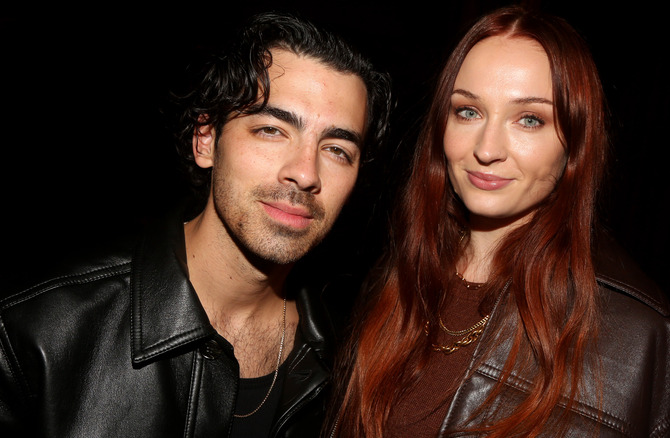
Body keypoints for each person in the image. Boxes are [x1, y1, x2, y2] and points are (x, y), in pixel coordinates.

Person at [0, 12, 390, 438]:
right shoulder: (38, 332)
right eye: (271, 130)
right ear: (206, 140)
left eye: (337, 149)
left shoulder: (353, 360)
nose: (305, 173)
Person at [329, 5, 670, 437]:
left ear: (574, 146)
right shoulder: (396, 278)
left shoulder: (636, 339)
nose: (487, 149)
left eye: (529, 119)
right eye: (468, 111)